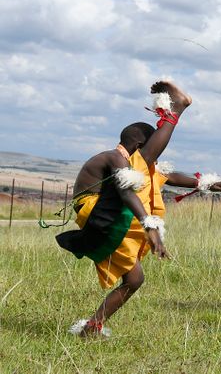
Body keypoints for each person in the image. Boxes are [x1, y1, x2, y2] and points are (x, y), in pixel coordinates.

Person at [58, 81, 192, 338]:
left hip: (104, 215)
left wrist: (205, 182)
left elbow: (167, 176)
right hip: (99, 214)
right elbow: (124, 190)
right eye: (150, 145)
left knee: (134, 280)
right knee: (143, 166)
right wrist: (149, 225)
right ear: (139, 143)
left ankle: (92, 328)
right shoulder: (113, 157)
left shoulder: (126, 162)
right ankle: (176, 110)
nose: (154, 154)